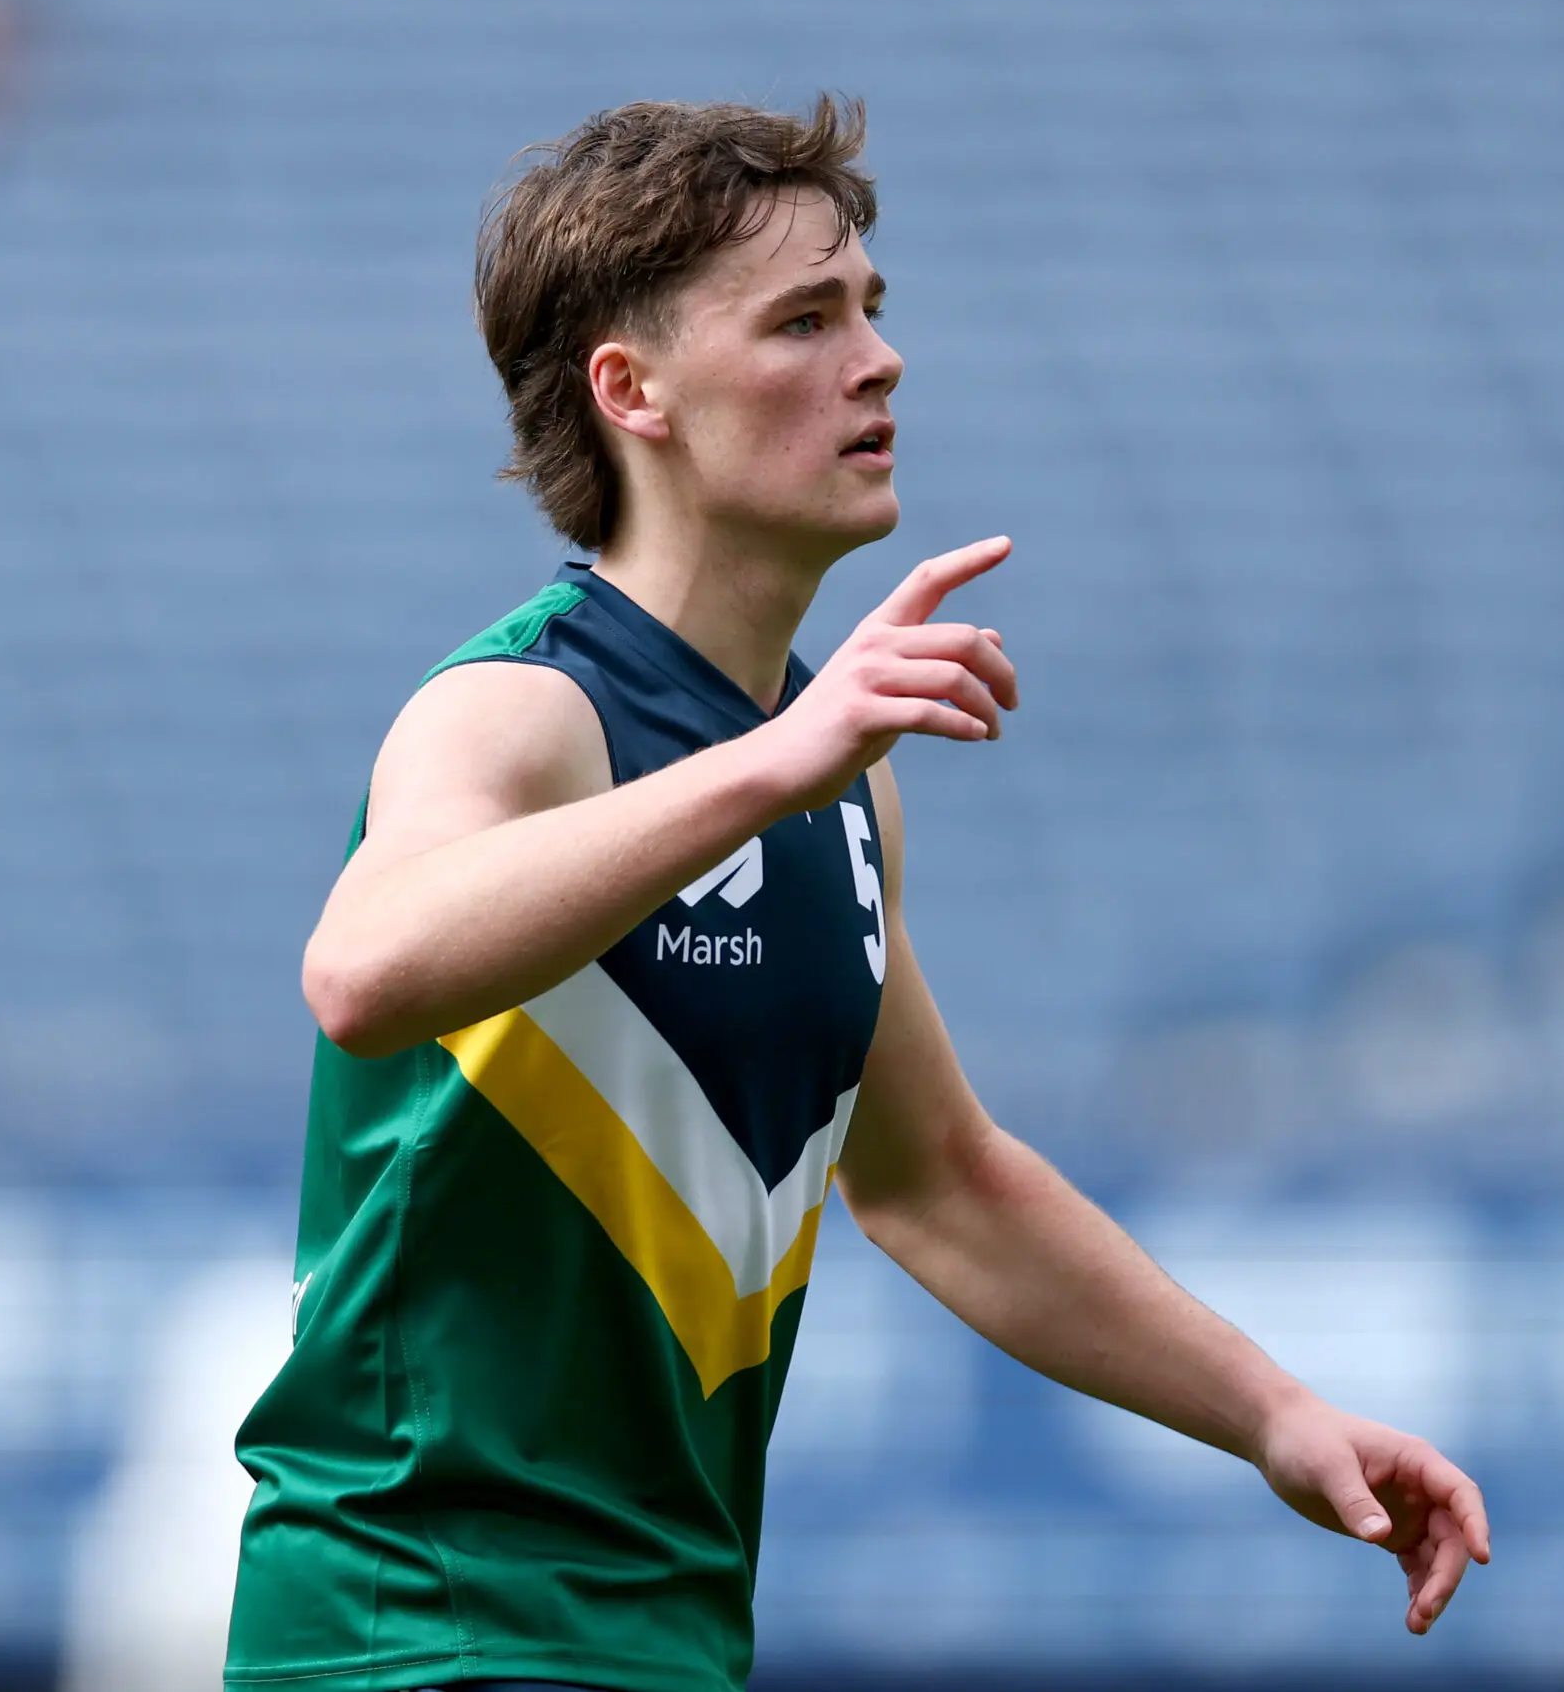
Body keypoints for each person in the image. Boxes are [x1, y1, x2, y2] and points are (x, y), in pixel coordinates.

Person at [226, 96, 1490, 1692]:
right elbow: (363, 967)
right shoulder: (524, 711)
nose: (878, 360)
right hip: (417, 1626)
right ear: (635, 392)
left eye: (873, 311)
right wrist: (778, 762)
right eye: (803, 321)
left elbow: (939, 1180)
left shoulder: (838, 783)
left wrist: (1275, 1414)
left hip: (660, 1636)